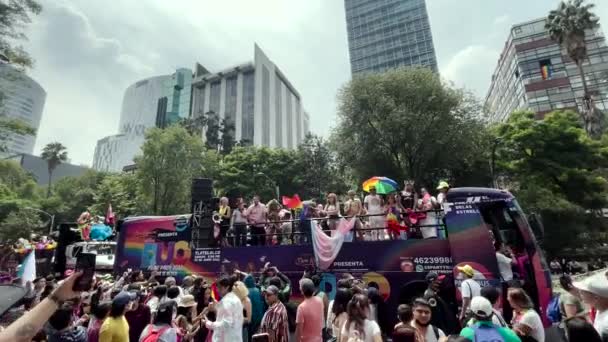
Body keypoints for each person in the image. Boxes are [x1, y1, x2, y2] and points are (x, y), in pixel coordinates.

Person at [201, 275, 243, 341]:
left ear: (227, 287)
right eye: (217, 288)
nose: (218, 290)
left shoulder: (226, 301)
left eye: (220, 288)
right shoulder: (236, 299)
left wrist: (209, 323)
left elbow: (226, 324)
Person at [573, 272, 608, 339]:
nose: (579, 293)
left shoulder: (606, 324)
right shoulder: (599, 309)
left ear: (596, 298)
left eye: (582, 292)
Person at [295, 278, 324, 342]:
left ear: (302, 291)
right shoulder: (320, 300)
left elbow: (299, 330)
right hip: (319, 339)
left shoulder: (301, 307)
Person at [241, 272, 265, 338]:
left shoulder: (245, 292)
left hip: (249, 318)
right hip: (259, 317)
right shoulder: (258, 290)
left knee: (249, 336)